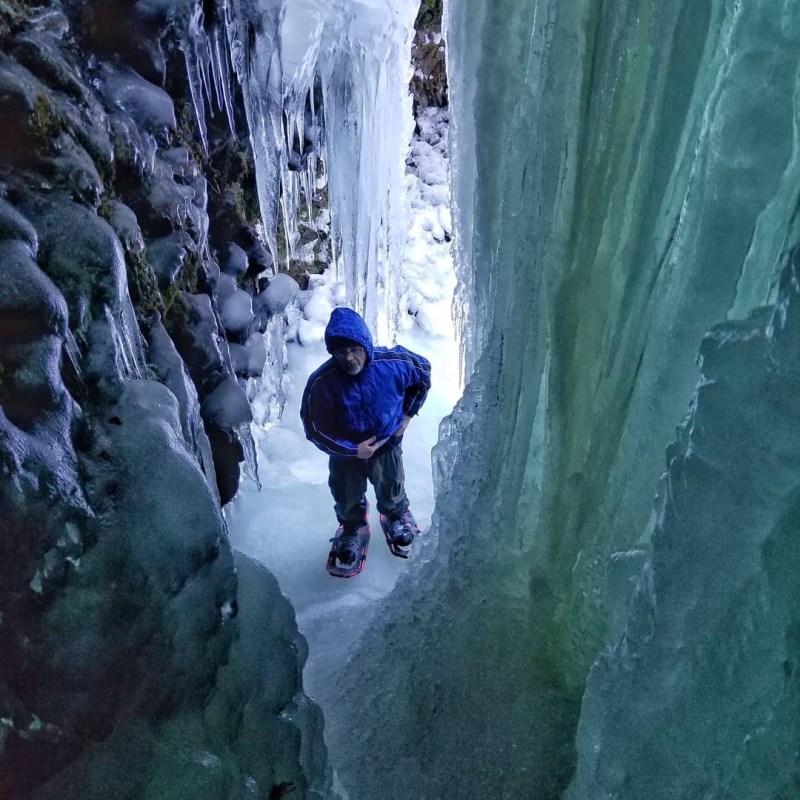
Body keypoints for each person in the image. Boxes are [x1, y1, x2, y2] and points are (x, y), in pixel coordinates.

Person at [300, 307, 431, 566]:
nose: (349, 358)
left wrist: (407, 416)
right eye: (341, 351)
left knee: (390, 483)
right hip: (345, 453)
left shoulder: (392, 365)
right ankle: (352, 528)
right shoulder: (322, 383)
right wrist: (350, 450)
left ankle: (395, 515)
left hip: (386, 443)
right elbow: (312, 427)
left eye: (355, 349)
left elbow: (423, 372)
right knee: (346, 493)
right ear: (333, 352)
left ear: (366, 345)